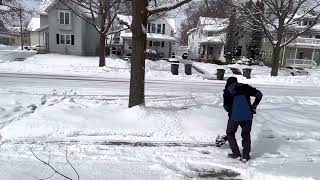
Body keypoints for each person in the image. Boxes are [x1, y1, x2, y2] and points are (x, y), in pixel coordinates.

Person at [223, 77, 263, 161]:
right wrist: (254, 105)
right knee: (246, 135)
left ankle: (236, 154)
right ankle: (246, 156)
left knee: (230, 133)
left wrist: (232, 110)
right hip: (248, 116)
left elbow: (226, 107)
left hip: (234, 117)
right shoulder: (245, 87)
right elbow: (259, 94)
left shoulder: (227, 91)